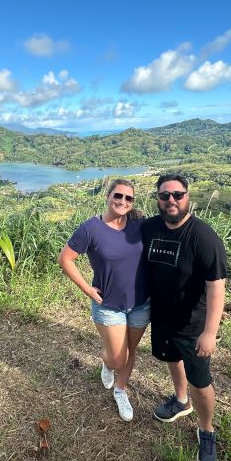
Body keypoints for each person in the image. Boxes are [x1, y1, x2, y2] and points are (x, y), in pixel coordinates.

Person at [141, 174, 228, 461]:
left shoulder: (202, 236)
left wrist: (210, 332)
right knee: (171, 358)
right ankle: (181, 401)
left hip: (193, 324)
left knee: (200, 381)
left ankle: (206, 431)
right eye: (165, 196)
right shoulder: (150, 227)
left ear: (187, 196)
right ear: (158, 199)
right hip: (162, 317)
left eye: (177, 194)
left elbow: (217, 285)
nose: (171, 200)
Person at [58, 179, 149, 422]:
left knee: (131, 351)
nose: (122, 201)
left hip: (141, 303)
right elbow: (65, 259)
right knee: (118, 357)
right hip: (109, 305)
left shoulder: (138, 224)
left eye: (129, 198)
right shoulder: (91, 228)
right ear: (107, 197)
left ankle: (121, 390)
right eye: (118, 196)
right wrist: (87, 289)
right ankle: (107, 363)